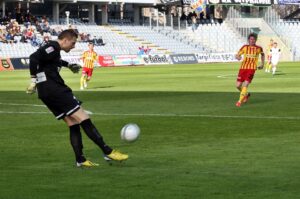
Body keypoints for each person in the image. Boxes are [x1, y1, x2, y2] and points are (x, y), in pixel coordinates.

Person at [26, 29, 128, 167]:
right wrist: (33, 79)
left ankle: (80, 160)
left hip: (45, 92)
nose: (74, 46)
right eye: (73, 43)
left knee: (73, 123)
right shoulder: (53, 46)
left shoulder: (53, 50)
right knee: (83, 117)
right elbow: (33, 58)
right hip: (56, 90)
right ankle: (107, 151)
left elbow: (51, 59)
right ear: (65, 40)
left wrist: (67, 65)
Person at [235, 33, 265, 107]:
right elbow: (237, 54)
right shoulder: (245, 47)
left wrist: (262, 64)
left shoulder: (258, 48)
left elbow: (262, 55)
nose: (252, 40)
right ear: (248, 40)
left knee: (245, 84)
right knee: (238, 85)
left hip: (251, 68)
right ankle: (247, 94)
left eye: (254, 39)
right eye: (251, 39)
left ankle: (239, 101)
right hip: (243, 68)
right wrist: (237, 57)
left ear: (255, 40)